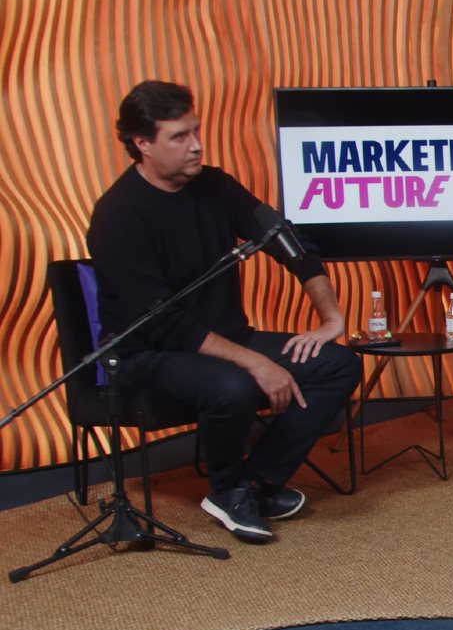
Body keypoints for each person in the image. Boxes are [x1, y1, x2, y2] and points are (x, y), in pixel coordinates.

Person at [87, 80, 361, 545]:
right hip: (147, 353)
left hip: (225, 337)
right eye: (179, 136)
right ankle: (227, 489)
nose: (196, 145)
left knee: (338, 364)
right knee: (234, 384)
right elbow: (162, 321)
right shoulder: (117, 215)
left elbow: (288, 242)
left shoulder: (215, 186)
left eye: (195, 131)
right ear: (143, 143)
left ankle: (256, 483)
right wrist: (256, 362)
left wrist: (331, 319)